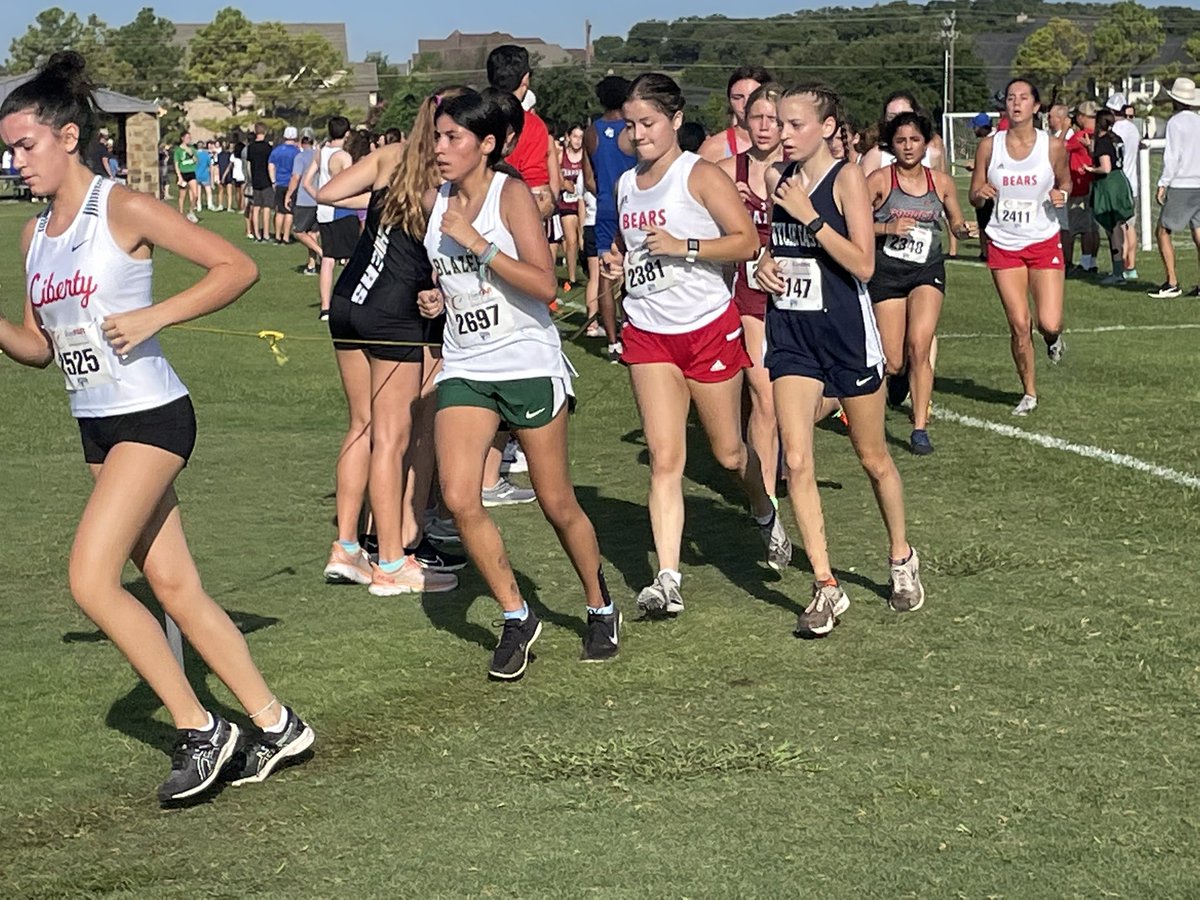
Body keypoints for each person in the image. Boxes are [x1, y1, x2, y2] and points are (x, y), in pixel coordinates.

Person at [0, 51, 314, 805]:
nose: (15, 161)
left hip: (150, 415)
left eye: (24, 145)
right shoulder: (33, 237)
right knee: (172, 584)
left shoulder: (124, 208)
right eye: (9, 149)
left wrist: (155, 315)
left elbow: (236, 267)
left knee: (90, 580)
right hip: (96, 427)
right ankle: (276, 724)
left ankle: (204, 729)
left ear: (68, 137)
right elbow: (40, 350)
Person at [421, 90, 621, 676]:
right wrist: (438, 297)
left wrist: (479, 245)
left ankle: (598, 602)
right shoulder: (439, 201)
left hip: (527, 361)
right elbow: (456, 279)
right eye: (437, 136)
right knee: (459, 497)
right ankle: (516, 615)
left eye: (453, 137)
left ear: (486, 144)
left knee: (557, 503)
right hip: (465, 364)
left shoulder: (508, 195)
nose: (440, 148)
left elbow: (544, 285)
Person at [601, 73, 790, 616]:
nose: (639, 135)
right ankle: (667, 579)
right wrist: (619, 262)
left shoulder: (700, 175)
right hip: (648, 331)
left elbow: (746, 241)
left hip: (707, 326)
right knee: (665, 459)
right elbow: (629, 245)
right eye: (632, 125)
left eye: (649, 123)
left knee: (729, 452)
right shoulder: (625, 184)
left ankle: (763, 507)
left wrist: (686, 245)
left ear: (676, 121)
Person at [755, 83, 925, 637]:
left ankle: (901, 556)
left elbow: (864, 265)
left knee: (873, 457)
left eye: (794, 125)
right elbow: (772, 248)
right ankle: (826, 586)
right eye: (779, 124)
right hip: (791, 333)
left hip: (847, 334)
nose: (782, 134)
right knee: (797, 460)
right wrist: (762, 264)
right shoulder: (775, 179)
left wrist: (810, 218)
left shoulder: (846, 178)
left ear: (827, 127)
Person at [316, 89, 467, 594]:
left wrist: (378, 199)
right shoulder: (444, 179)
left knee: (360, 425)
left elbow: (326, 193)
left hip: (346, 301)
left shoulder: (388, 157)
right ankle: (391, 561)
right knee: (391, 436)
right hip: (393, 311)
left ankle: (346, 547)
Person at [867, 111, 975, 455]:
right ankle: (897, 378)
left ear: (925, 143)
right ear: (891, 145)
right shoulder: (880, 180)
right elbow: (852, 225)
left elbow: (954, 220)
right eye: (901, 141)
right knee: (894, 360)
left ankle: (919, 428)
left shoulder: (939, 183)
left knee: (920, 344)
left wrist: (962, 229)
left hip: (926, 270)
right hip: (888, 274)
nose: (908, 147)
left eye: (914, 140)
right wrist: (886, 228)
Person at [969, 77, 1071, 417]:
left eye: (1023, 98)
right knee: (1018, 323)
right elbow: (973, 191)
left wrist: (1063, 195)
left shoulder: (1052, 146)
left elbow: (1066, 180)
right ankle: (1029, 392)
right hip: (1004, 242)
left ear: (1035, 106)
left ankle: (1054, 339)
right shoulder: (990, 146)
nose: (1016, 103)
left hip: (1043, 239)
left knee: (1049, 321)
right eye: (1011, 98)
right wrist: (980, 194)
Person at [717, 81, 785, 503]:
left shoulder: (803, 170)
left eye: (773, 119)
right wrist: (729, 211)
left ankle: (791, 463)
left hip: (797, 294)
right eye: (756, 116)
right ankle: (767, 493)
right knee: (763, 393)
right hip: (750, 294)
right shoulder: (726, 171)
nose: (763, 126)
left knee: (795, 395)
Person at [583, 74, 637, 361]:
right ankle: (632, 329)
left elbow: (588, 179)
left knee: (606, 273)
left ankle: (613, 340)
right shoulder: (633, 131)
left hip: (604, 208)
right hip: (633, 206)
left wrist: (606, 189)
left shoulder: (592, 132)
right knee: (635, 268)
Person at [486, 45, 560, 220]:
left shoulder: (473, 116)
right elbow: (539, 197)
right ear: (525, 79)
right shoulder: (532, 125)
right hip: (514, 225)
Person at [1147, 76, 1200, 299]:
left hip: (1183, 183)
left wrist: (1162, 183)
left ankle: (1172, 282)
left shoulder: (1175, 123)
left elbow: (1173, 156)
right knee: (1198, 232)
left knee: (1163, 231)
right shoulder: (1199, 120)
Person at [302, 117, 359, 320]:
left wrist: (318, 197)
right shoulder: (344, 157)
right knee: (353, 257)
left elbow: (306, 181)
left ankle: (325, 307)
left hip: (324, 211)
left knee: (328, 258)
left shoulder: (321, 152)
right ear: (347, 134)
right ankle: (349, 300)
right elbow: (351, 184)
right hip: (342, 209)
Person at [1084, 109, 1134, 286]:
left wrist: (1091, 170)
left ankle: (1118, 272)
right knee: (1119, 227)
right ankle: (1121, 270)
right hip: (1120, 181)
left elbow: (1105, 167)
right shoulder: (1115, 139)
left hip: (1109, 184)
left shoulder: (1104, 141)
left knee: (1113, 228)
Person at [698, 66, 772, 161]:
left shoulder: (787, 144)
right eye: (738, 98)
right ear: (729, 101)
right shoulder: (714, 148)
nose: (745, 104)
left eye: (753, 97)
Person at [1107, 93, 1142, 280]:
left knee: (1117, 229)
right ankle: (1131, 266)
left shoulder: (1113, 130)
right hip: (1132, 183)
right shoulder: (1133, 129)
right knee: (1130, 227)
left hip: (1117, 183)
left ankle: (1119, 267)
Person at [1063, 102, 1100, 274]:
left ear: (1082, 117)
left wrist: (1064, 129)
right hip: (1095, 184)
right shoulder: (1100, 134)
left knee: (1075, 227)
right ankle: (1090, 262)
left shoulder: (1080, 136)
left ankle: (1078, 264)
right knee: (1092, 227)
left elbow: (1059, 148)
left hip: (1080, 185)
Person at [285, 130, 321, 275]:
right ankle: (311, 265)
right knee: (313, 233)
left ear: (301, 141)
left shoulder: (300, 157)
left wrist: (288, 194)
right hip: (319, 197)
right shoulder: (319, 156)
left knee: (298, 231)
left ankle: (322, 253)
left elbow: (295, 177)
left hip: (305, 199)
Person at [557, 125, 585, 289]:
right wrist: (564, 183)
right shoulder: (562, 155)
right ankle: (572, 278)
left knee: (583, 240)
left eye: (580, 137)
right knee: (571, 240)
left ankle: (587, 269)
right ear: (568, 137)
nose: (577, 140)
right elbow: (555, 174)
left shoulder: (585, 156)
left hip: (582, 203)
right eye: (575, 136)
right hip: (566, 204)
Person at [269, 126, 300, 244]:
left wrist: (273, 181)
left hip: (279, 183)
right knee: (289, 211)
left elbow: (271, 165)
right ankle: (286, 236)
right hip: (291, 184)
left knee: (279, 211)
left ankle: (277, 235)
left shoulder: (276, 150)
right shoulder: (297, 152)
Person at [245, 123, 274, 242]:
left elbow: (248, 165)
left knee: (256, 207)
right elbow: (270, 164)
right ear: (265, 132)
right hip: (266, 179)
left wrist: (250, 179)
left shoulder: (251, 147)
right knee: (266, 207)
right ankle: (266, 234)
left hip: (255, 179)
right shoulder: (268, 148)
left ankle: (257, 234)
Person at [171, 131, 199, 223]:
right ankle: (181, 213)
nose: (189, 139)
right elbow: (176, 164)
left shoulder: (192, 149)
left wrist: (190, 154)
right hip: (183, 174)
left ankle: (191, 211)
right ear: (182, 138)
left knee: (195, 194)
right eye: (187, 138)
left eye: (190, 138)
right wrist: (179, 177)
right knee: (182, 195)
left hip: (191, 172)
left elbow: (196, 161)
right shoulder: (178, 151)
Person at [194, 139, 214, 212]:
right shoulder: (206, 155)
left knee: (198, 191)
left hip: (197, 175)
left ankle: (199, 205)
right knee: (208, 191)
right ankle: (210, 204)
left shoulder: (195, 155)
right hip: (205, 175)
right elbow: (210, 165)